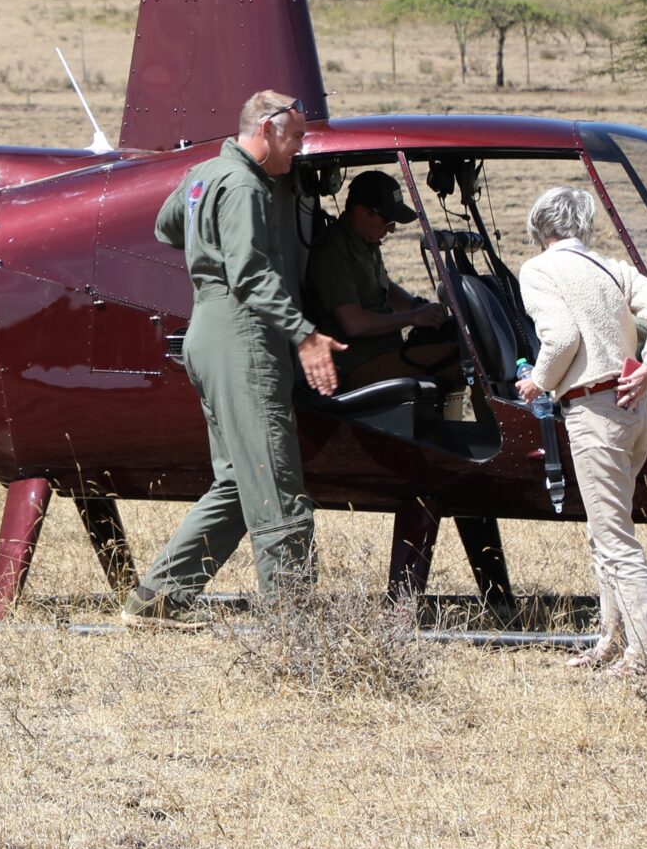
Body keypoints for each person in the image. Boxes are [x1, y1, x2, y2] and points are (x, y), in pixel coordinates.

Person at [124, 90, 346, 620]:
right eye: (294, 137)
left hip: (206, 330)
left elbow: (165, 225)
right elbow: (249, 274)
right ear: (267, 129)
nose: (298, 149)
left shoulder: (204, 174)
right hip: (243, 335)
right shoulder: (247, 184)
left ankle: (158, 599)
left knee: (237, 481)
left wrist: (209, 240)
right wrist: (305, 334)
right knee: (274, 478)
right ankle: (293, 622)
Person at [514, 185, 647, 677]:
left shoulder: (539, 269)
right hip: (634, 407)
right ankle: (611, 639)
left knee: (613, 537)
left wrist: (537, 381)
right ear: (581, 226)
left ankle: (646, 653)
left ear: (540, 229)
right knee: (605, 528)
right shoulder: (614, 267)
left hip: (593, 410)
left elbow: (562, 335)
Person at [305, 170, 461, 392]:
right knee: (463, 359)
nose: (392, 229)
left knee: (460, 342)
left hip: (386, 352)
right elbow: (354, 324)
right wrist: (413, 317)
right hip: (359, 368)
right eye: (387, 219)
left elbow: (383, 286)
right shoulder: (333, 253)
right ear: (361, 212)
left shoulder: (364, 241)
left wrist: (416, 305)